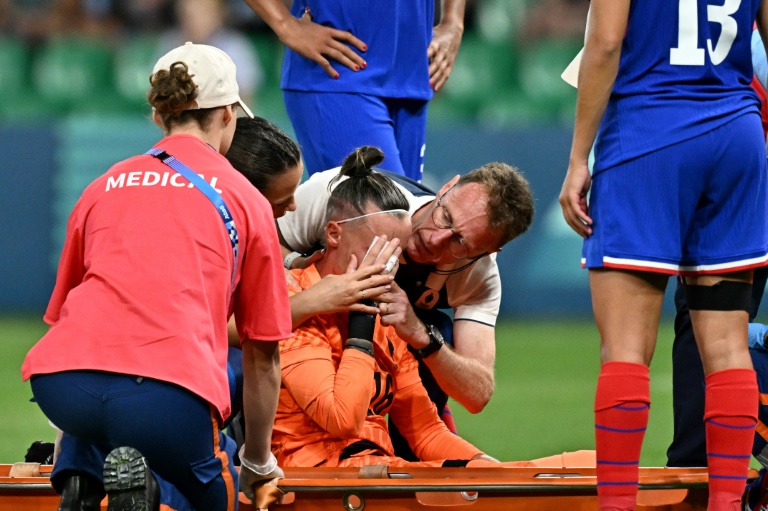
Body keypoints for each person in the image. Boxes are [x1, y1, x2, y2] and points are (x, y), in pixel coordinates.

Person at [21, 42, 292, 511]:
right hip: (166, 392)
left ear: (157, 116)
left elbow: (66, 313)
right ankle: (146, 494)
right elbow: (262, 354)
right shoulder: (246, 198)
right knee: (216, 493)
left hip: (60, 385)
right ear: (228, 114)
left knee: (101, 424)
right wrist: (259, 462)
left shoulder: (102, 184)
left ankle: (81, 481)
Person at [559, 2, 768, 511]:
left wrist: (577, 157)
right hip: (738, 136)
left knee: (627, 350)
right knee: (728, 348)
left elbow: (606, 43)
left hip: (648, 134)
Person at [275, 149, 596, 469]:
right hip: (320, 477)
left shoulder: (391, 314)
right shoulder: (305, 297)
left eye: (392, 257)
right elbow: (342, 419)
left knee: (585, 466)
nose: (435, 238)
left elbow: (429, 430)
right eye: (378, 252)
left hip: (374, 470)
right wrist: (339, 304)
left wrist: (496, 475)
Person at [666, 26, 768, 471]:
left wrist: (586, 161)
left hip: (710, 160)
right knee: (716, 327)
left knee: (705, 321)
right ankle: (701, 471)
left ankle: (695, 472)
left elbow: (604, 58)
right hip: (739, 159)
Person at [241, 0, 467, 180]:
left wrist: (454, 21)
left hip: (411, 73)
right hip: (337, 73)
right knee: (383, 221)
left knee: (405, 226)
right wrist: (284, 24)